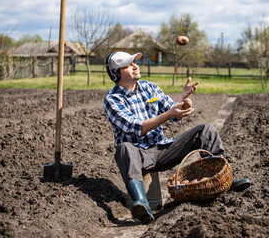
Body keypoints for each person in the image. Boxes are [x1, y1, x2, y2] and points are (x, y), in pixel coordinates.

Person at [103, 51, 251, 224]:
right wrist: (169, 114)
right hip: (139, 155)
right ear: (117, 73)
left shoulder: (149, 87)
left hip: (163, 148)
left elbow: (174, 112)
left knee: (205, 130)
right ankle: (141, 204)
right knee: (124, 148)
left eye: (135, 62)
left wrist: (184, 101)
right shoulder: (112, 100)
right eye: (128, 65)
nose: (135, 66)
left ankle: (224, 179)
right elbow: (137, 128)